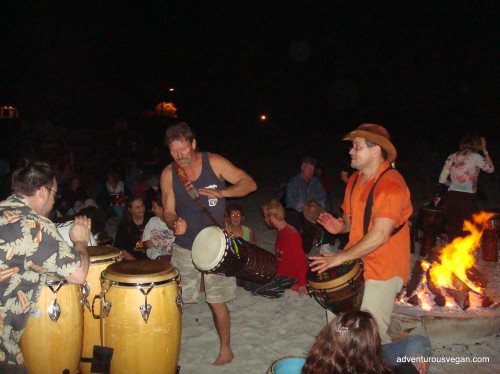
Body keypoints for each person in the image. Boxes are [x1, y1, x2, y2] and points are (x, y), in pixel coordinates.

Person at [160, 122, 257, 365]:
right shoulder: (168, 174)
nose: (180, 156)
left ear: (193, 144)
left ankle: (226, 349)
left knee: (217, 300)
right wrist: (174, 222)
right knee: (175, 301)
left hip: (217, 246)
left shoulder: (214, 162)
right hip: (185, 245)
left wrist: (223, 193)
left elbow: (249, 183)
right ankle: (168, 349)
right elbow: (167, 211)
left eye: (183, 149)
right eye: (174, 151)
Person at [309, 123, 412, 345]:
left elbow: (381, 234)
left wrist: (339, 257)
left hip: (384, 265)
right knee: (339, 326)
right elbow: (351, 220)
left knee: (369, 334)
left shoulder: (392, 184)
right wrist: (340, 227)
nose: (350, 152)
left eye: (357, 147)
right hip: (356, 258)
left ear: (376, 150)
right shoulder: (355, 180)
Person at [0, 161, 91, 373]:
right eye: (54, 195)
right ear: (42, 191)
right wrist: (80, 242)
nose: (53, 202)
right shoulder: (34, 225)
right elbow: (78, 274)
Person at [302, 310, 431, 374]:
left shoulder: (315, 363)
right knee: (418, 342)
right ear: (371, 343)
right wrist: (411, 369)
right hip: (372, 360)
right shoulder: (374, 369)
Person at [438, 134, 494, 241]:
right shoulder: (476, 157)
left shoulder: (452, 156)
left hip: (452, 197)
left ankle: (453, 256)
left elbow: (442, 179)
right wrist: (485, 150)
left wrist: (454, 184)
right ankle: (466, 255)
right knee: (470, 229)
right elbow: (491, 169)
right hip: (467, 198)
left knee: (454, 230)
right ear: (477, 145)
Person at [262, 199, 308, 296]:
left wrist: (302, 284)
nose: (265, 220)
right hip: (281, 273)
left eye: (265, 217)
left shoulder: (291, 235)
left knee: (257, 288)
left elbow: (301, 261)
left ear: (272, 218)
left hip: (289, 277)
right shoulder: (282, 232)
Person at [285, 156, 327, 253]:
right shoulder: (294, 182)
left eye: (313, 169)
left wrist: (316, 203)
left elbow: (323, 196)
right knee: (307, 225)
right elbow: (290, 201)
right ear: (302, 168)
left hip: (314, 209)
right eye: (309, 168)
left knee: (330, 217)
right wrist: (307, 206)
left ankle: (324, 243)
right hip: (299, 210)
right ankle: (302, 249)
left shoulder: (315, 181)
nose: (311, 171)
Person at [113, 196, 153, 260]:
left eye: (142, 205)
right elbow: (121, 249)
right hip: (132, 261)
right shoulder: (124, 226)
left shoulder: (152, 220)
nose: (141, 209)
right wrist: (135, 263)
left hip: (151, 258)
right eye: (137, 207)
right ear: (130, 210)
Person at [143, 194, 175, 263]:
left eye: (154, 207)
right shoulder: (152, 221)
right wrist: (147, 243)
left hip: (171, 259)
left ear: (163, 208)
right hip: (154, 258)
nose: (152, 209)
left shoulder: (174, 222)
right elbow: (145, 241)